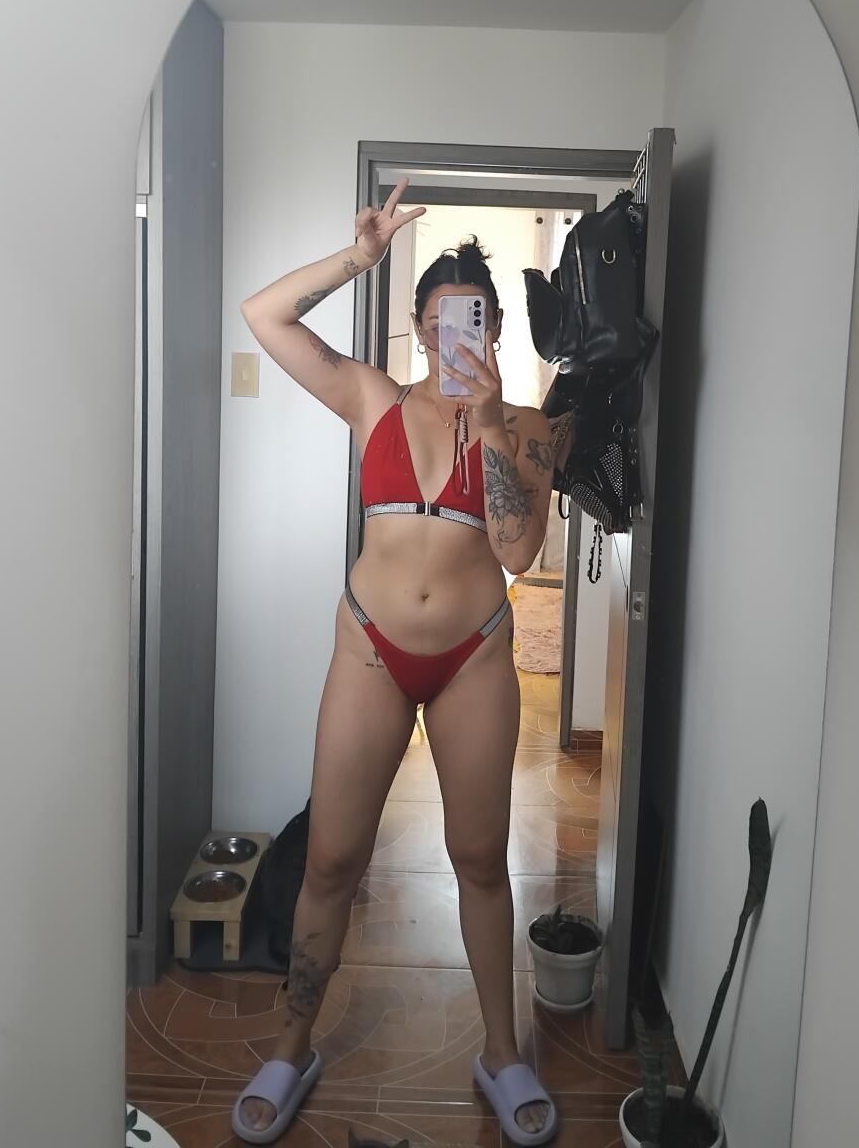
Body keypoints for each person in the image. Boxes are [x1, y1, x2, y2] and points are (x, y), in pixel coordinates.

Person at [231, 179, 560, 1146]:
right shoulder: (371, 395)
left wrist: (489, 422)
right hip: (370, 649)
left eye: (476, 320)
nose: (458, 335)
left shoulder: (528, 428)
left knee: (479, 860)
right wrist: (359, 257)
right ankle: (292, 1045)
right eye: (442, 319)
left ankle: (501, 1051)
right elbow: (264, 315)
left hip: (474, 657)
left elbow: (517, 553)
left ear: (494, 329)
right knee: (333, 857)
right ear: (419, 328)